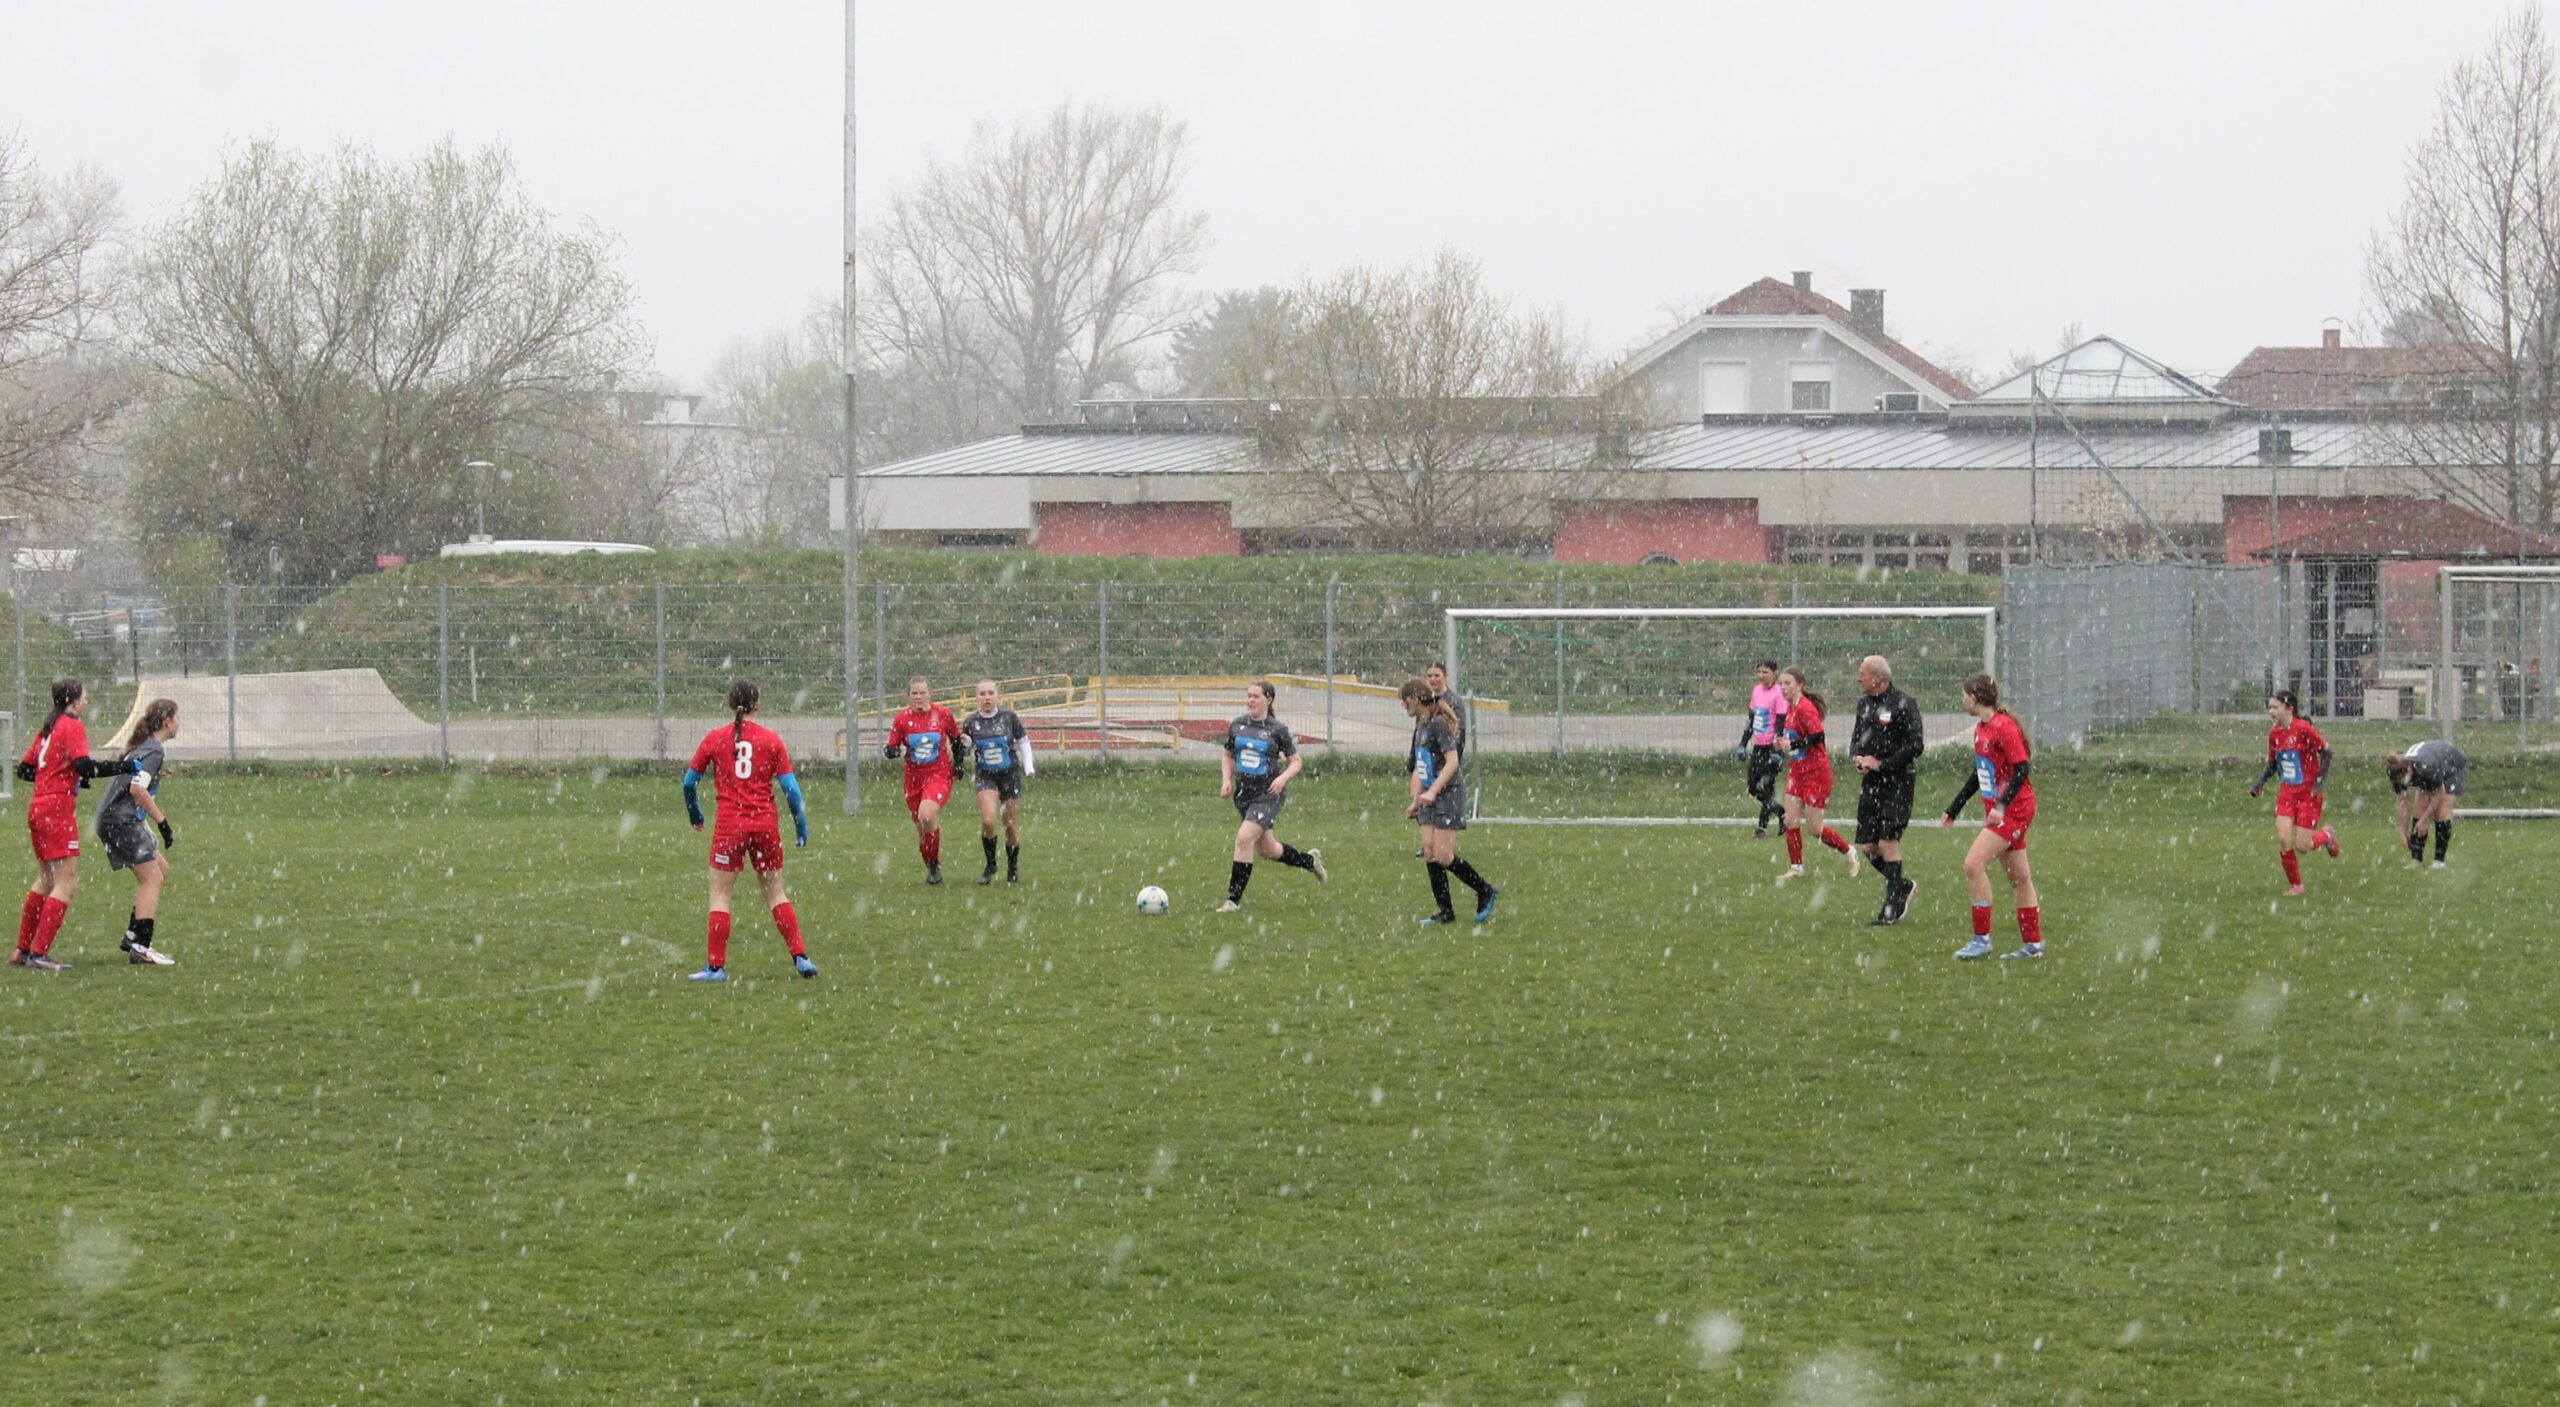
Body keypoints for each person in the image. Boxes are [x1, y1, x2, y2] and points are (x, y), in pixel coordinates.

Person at [681, 680, 814, 982]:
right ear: (758, 705)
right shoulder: (771, 740)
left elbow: (689, 782)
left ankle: (716, 967)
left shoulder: (715, 738)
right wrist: (800, 823)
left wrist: (694, 812)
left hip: (731, 826)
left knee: (720, 896)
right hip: (765, 825)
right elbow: (791, 790)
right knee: (776, 892)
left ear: (730, 704)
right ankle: (801, 957)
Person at [10, 678, 140, 971]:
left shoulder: (48, 728)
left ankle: (22, 950)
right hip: (57, 809)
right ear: (74, 700)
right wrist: (125, 766)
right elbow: (86, 766)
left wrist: (59, 776)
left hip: (38, 807)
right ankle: (40, 954)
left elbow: (26, 769)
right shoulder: (71, 726)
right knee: (66, 882)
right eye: (84, 697)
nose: (87, 702)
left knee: (45, 879)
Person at [1940, 673, 2042, 960]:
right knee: (2020, 876)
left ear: (1974, 698)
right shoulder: (1981, 729)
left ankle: (1981, 939)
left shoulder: (2004, 728)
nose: (1962, 700)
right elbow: (1979, 773)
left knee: (1973, 864)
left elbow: (2022, 769)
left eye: (1964, 695)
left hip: (2014, 810)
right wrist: (1954, 807)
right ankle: (2033, 945)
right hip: (2002, 811)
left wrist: (2001, 806)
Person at [1218, 680, 1325, 911]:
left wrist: (1282, 778)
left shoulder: (1277, 729)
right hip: (1244, 794)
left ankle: (1232, 900)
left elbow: (1296, 762)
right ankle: (1309, 861)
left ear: (1269, 699)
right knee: (1268, 850)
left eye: (1255, 696)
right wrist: (1226, 780)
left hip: (1268, 794)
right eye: (1248, 696)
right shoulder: (1237, 725)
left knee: (1244, 838)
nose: (1250, 701)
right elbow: (1228, 756)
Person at [1402, 678, 1497, 925]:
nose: (1403, 706)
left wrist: (1433, 792)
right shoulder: (1421, 725)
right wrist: (1417, 799)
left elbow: (1453, 762)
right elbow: (1422, 766)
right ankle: (1445, 912)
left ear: (1413, 699)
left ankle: (1485, 890)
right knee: (1430, 853)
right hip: (1429, 795)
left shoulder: (1438, 725)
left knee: (1444, 855)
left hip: (1448, 793)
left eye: (1404, 701)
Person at [96, 697, 181, 966]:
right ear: (168, 722)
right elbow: (137, 788)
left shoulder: (144, 746)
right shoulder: (154, 751)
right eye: (177, 718)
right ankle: (141, 947)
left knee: (160, 869)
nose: (179, 724)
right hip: (120, 821)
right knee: (152, 879)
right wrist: (163, 822)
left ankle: (133, 934)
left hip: (116, 819)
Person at [1849, 655, 1926, 924]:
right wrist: (1858, 759)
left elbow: (1916, 745)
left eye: (1863, 673)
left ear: (1879, 678)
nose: (1858, 678)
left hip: (1898, 782)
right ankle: (1902, 886)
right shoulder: (1863, 704)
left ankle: (1891, 910)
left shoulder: (1904, 704)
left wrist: (1882, 764)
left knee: (1887, 841)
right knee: (1869, 847)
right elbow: (1856, 741)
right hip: (1871, 784)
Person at [1774, 666, 1859, 886]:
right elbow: (1795, 739)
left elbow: (1818, 737)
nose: (1783, 688)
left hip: (1816, 774)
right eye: (1780, 684)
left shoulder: (1805, 708)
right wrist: (1782, 743)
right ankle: (1797, 867)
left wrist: (1792, 743)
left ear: (1800, 685)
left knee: (1814, 829)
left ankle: (1849, 850)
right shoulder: (1790, 708)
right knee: (1790, 820)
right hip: (1797, 771)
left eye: (1787, 684)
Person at [2251, 689, 2339, 897]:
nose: (2271, 711)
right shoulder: (2274, 735)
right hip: (2287, 794)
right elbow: (2273, 764)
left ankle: (2327, 836)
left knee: (2303, 846)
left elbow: (2327, 752)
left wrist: (2319, 782)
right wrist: (2260, 783)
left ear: (2289, 708)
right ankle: (2297, 885)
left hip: (2308, 794)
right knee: (2283, 839)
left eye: (2275, 707)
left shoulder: (2303, 729)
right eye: (2269, 707)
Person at [884, 677, 963, 885]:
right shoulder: (901, 720)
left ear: (930, 693)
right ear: (908, 696)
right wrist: (891, 751)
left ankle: (935, 865)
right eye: (914, 693)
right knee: (921, 827)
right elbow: (892, 746)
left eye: (922, 693)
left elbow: (956, 739)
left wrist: (959, 764)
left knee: (927, 816)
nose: (919, 697)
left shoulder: (942, 714)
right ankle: (931, 865)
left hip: (938, 774)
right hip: (913, 778)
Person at [961, 678, 1031, 886]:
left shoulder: (1009, 717)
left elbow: (1023, 741)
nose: (987, 697)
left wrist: (1029, 766)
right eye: (982, 694)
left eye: (990, 693)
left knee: (1009, 824)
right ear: (977, 697)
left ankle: (1013, 868)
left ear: (997, 695)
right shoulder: (971, 721)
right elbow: (965, 751)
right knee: (989, 821)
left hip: (1009, 775)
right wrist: (964, 745)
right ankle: (991, 864)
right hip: (986, 775)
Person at [2388, 738, 2468, 869]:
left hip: (2452, 767)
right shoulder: (2396, 771)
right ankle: (2416, 860)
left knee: (2443, 809)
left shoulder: (2427, 767)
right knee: (2419, 807)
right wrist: (2402, 831)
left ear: (2409, 771)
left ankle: (2439, 861)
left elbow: (2440, 792)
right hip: (2430, 768)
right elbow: (2402, 802)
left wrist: (2424, 820)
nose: (2404, 785)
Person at [1734, 659, 1787, 837]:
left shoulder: (1779, 693)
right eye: (1759, 672)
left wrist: (1778, 750)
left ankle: (1762, 827)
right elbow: (1751, 719)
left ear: (1774, 673)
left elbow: (1781, 721)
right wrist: (1743, 743)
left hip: (1772, 747)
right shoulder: (1757, 691)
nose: (1761, 676)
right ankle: (1780, 812)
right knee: (1752, 786)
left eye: (1765, 672)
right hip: (1759, 746)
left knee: (1767, 784)